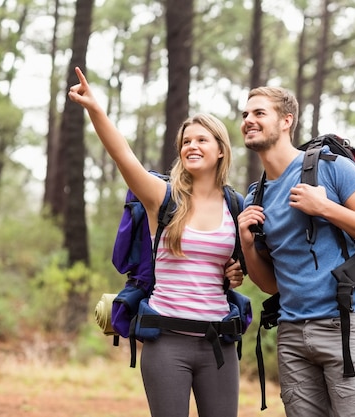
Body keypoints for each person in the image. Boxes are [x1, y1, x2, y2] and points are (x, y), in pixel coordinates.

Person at [68, 67, 245, 417]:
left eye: (201, 140)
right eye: (186, 142)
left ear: (221, 150)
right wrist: (96, 109)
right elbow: (123, 155)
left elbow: (235, 267)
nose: (191, 146)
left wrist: (237, 271)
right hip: (167, 342)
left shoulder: (235, 206)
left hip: (219, 344)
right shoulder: (161, 197)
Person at [237, 86, 355, 417]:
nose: (248, 120)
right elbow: (270, 285)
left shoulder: (330, 166)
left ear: (286, 121)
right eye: (245, 115)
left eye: (258, 113)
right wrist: (246, 242)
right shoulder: (256, 195)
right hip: (292, 336)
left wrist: (325, 207)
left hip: (346, 326)